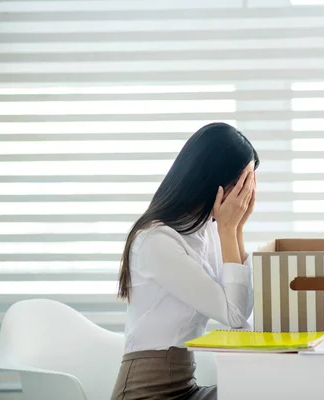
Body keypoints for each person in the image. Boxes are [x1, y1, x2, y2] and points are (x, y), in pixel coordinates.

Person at [111, 122, 259, 400]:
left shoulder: (206, 231)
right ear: (215, 180)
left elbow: (242, 309)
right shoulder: (156, 240)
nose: (246, 194)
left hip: (184, 386)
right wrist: (230, 229)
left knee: (268, 391)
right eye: (242, 184)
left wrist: (236, 229)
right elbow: (235, 315)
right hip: (147, 391)